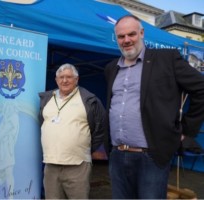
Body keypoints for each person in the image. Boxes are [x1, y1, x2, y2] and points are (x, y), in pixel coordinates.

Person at [104, 15, 204, 199]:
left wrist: (185, 131)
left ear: (142, 33)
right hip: (117, 156)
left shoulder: (166, 59)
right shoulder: (111, 68)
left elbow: (201, 88)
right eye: (121, 36)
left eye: (131, 34)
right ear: (116, 38)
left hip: (151, 157)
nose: (126, 40)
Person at [39, 63, 106, 199]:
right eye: (61, 77)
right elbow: (42, 123)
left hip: (78, 165)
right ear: (56, 80)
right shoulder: (47, 99)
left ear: (77, 79)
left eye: (69, 77)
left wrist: (84, 148)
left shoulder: (89, 100)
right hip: (51, 165)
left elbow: (100, 128)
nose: (64, 80)